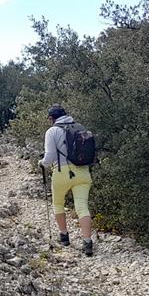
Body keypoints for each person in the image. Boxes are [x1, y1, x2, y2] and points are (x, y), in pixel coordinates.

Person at [41, 104, 94, 257]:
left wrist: (42, 164)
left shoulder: (52, 131)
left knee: (58, 203)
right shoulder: (80, 127)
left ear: (52, 118)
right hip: (83, 172)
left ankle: (64, 237)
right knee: (82, 207)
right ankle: (87, 242)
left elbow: (49, 157)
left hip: (62, 173)